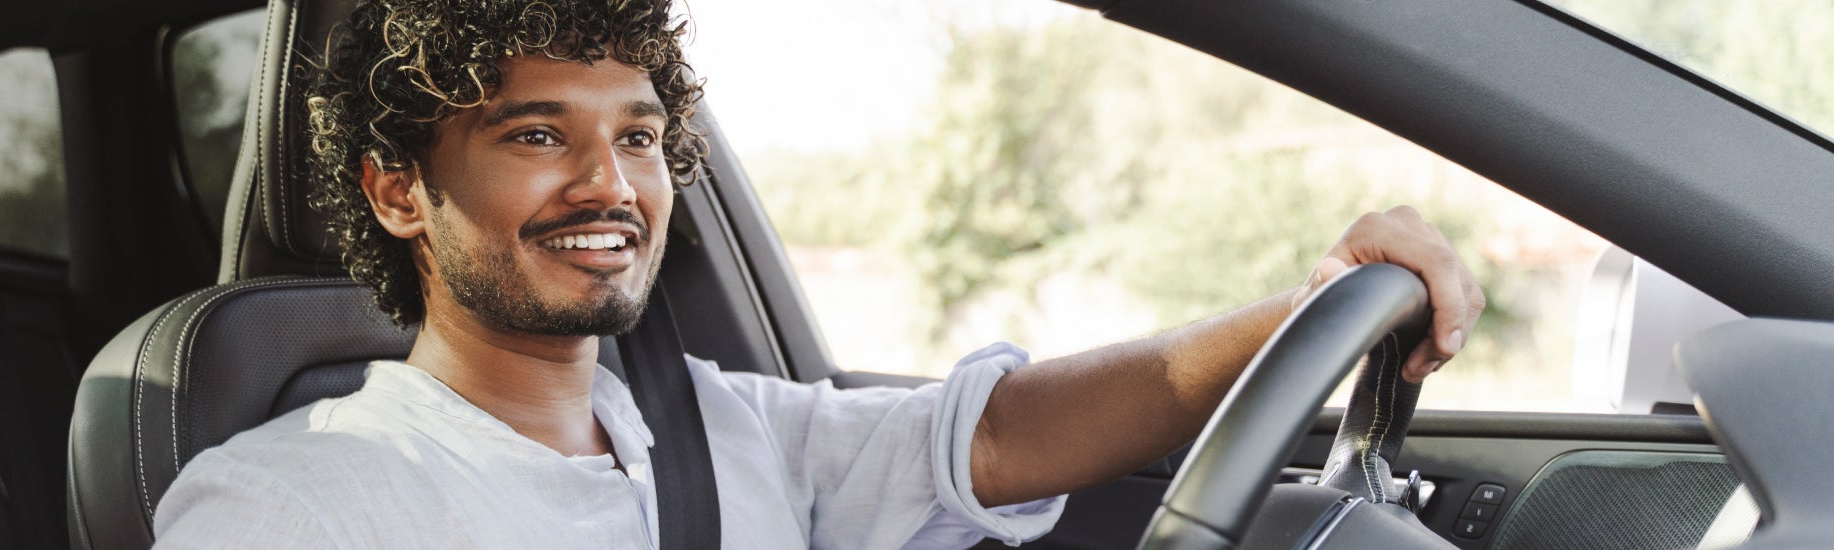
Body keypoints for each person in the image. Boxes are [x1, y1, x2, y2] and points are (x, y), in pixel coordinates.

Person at [152, 0, 1484, 547]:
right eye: (537, 135)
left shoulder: (718, 423)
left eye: (637, 137)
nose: (610, 185)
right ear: (399, 190)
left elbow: (996, 434)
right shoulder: (287, 504)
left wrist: (1310, 304)